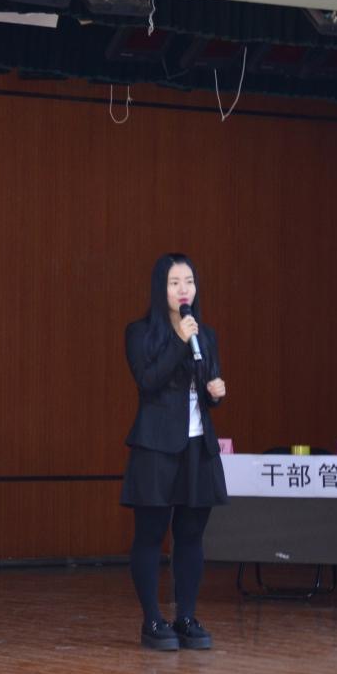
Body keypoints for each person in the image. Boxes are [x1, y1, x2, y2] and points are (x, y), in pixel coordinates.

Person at [121, 253, 228, 651]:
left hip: (198, 445)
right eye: (174, 283)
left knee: (191, 535)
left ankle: (186, 616)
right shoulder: (139, 333)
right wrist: (180, 341)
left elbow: (206, 384)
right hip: (156, 446)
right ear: (160, 289)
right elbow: (148, 381)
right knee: (150, 534)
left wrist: (216, 392)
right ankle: (152, 619)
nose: (184, 290)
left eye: (189, 282)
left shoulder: (206, 334)